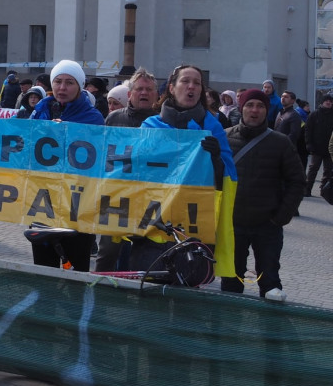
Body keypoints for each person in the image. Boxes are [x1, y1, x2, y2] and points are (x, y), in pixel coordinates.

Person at [139, 65, 236, 273]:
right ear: (172, 88)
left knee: (189, 285)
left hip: (195, 222)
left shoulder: (214, 127)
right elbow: (137, 172)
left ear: (201, 91)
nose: (191, 86)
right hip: (155, 220)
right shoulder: (150, 126)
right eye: (185, 81)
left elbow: (227, 178)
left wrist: (216, 158)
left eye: (197, 83)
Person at [221, 89, 305, 300]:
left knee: (269, 284)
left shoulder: (280, 142)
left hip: (267, 226)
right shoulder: (224, 138)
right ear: (242, 108)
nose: (254, 110)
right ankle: (226, 331)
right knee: (231, 282)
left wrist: (280, 217)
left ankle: (271, 332)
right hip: (233, 224)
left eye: (260, 106)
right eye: (250, 105)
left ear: (267, 110)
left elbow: (297, 181)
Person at [29, 60, 104, 271]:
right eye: (58, 82)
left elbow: (95, 159)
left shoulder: (92, 117)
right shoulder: (40, 110)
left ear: (80, 86)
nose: (62, 88)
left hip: (77, 201)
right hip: (43, 199)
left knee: (77, 264)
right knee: (43, 266)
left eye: (69, 82)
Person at [96, 69, 158, 270]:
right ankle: (99, 293)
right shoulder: (114, 119)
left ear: (156, 95)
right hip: (116, 197)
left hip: (148, 199)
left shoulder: (163, 122)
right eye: (139, 89)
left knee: (142, 256)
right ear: (130, 94)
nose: (144, 93)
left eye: (149, 89)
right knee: (107, 253)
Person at [304, 93, 333, 196]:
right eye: (326, 101)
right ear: (322, 102)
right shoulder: (314, 114)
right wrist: (308, 144)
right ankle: (307, 189)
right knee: (313, 169)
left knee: (328, 171)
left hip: (330, 149)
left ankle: (324, 191)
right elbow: (308, 130)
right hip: (316, 147)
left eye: (330, 101)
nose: (328, 102)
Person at [274, 90, 305, 167]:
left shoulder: (294, 115)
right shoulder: (280, 113)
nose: (283, 98)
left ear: (293, 101)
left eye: (286, 97)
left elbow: (294, 134)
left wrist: (282, 144)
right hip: (276, 148)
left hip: (287, 150)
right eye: (282, 96)